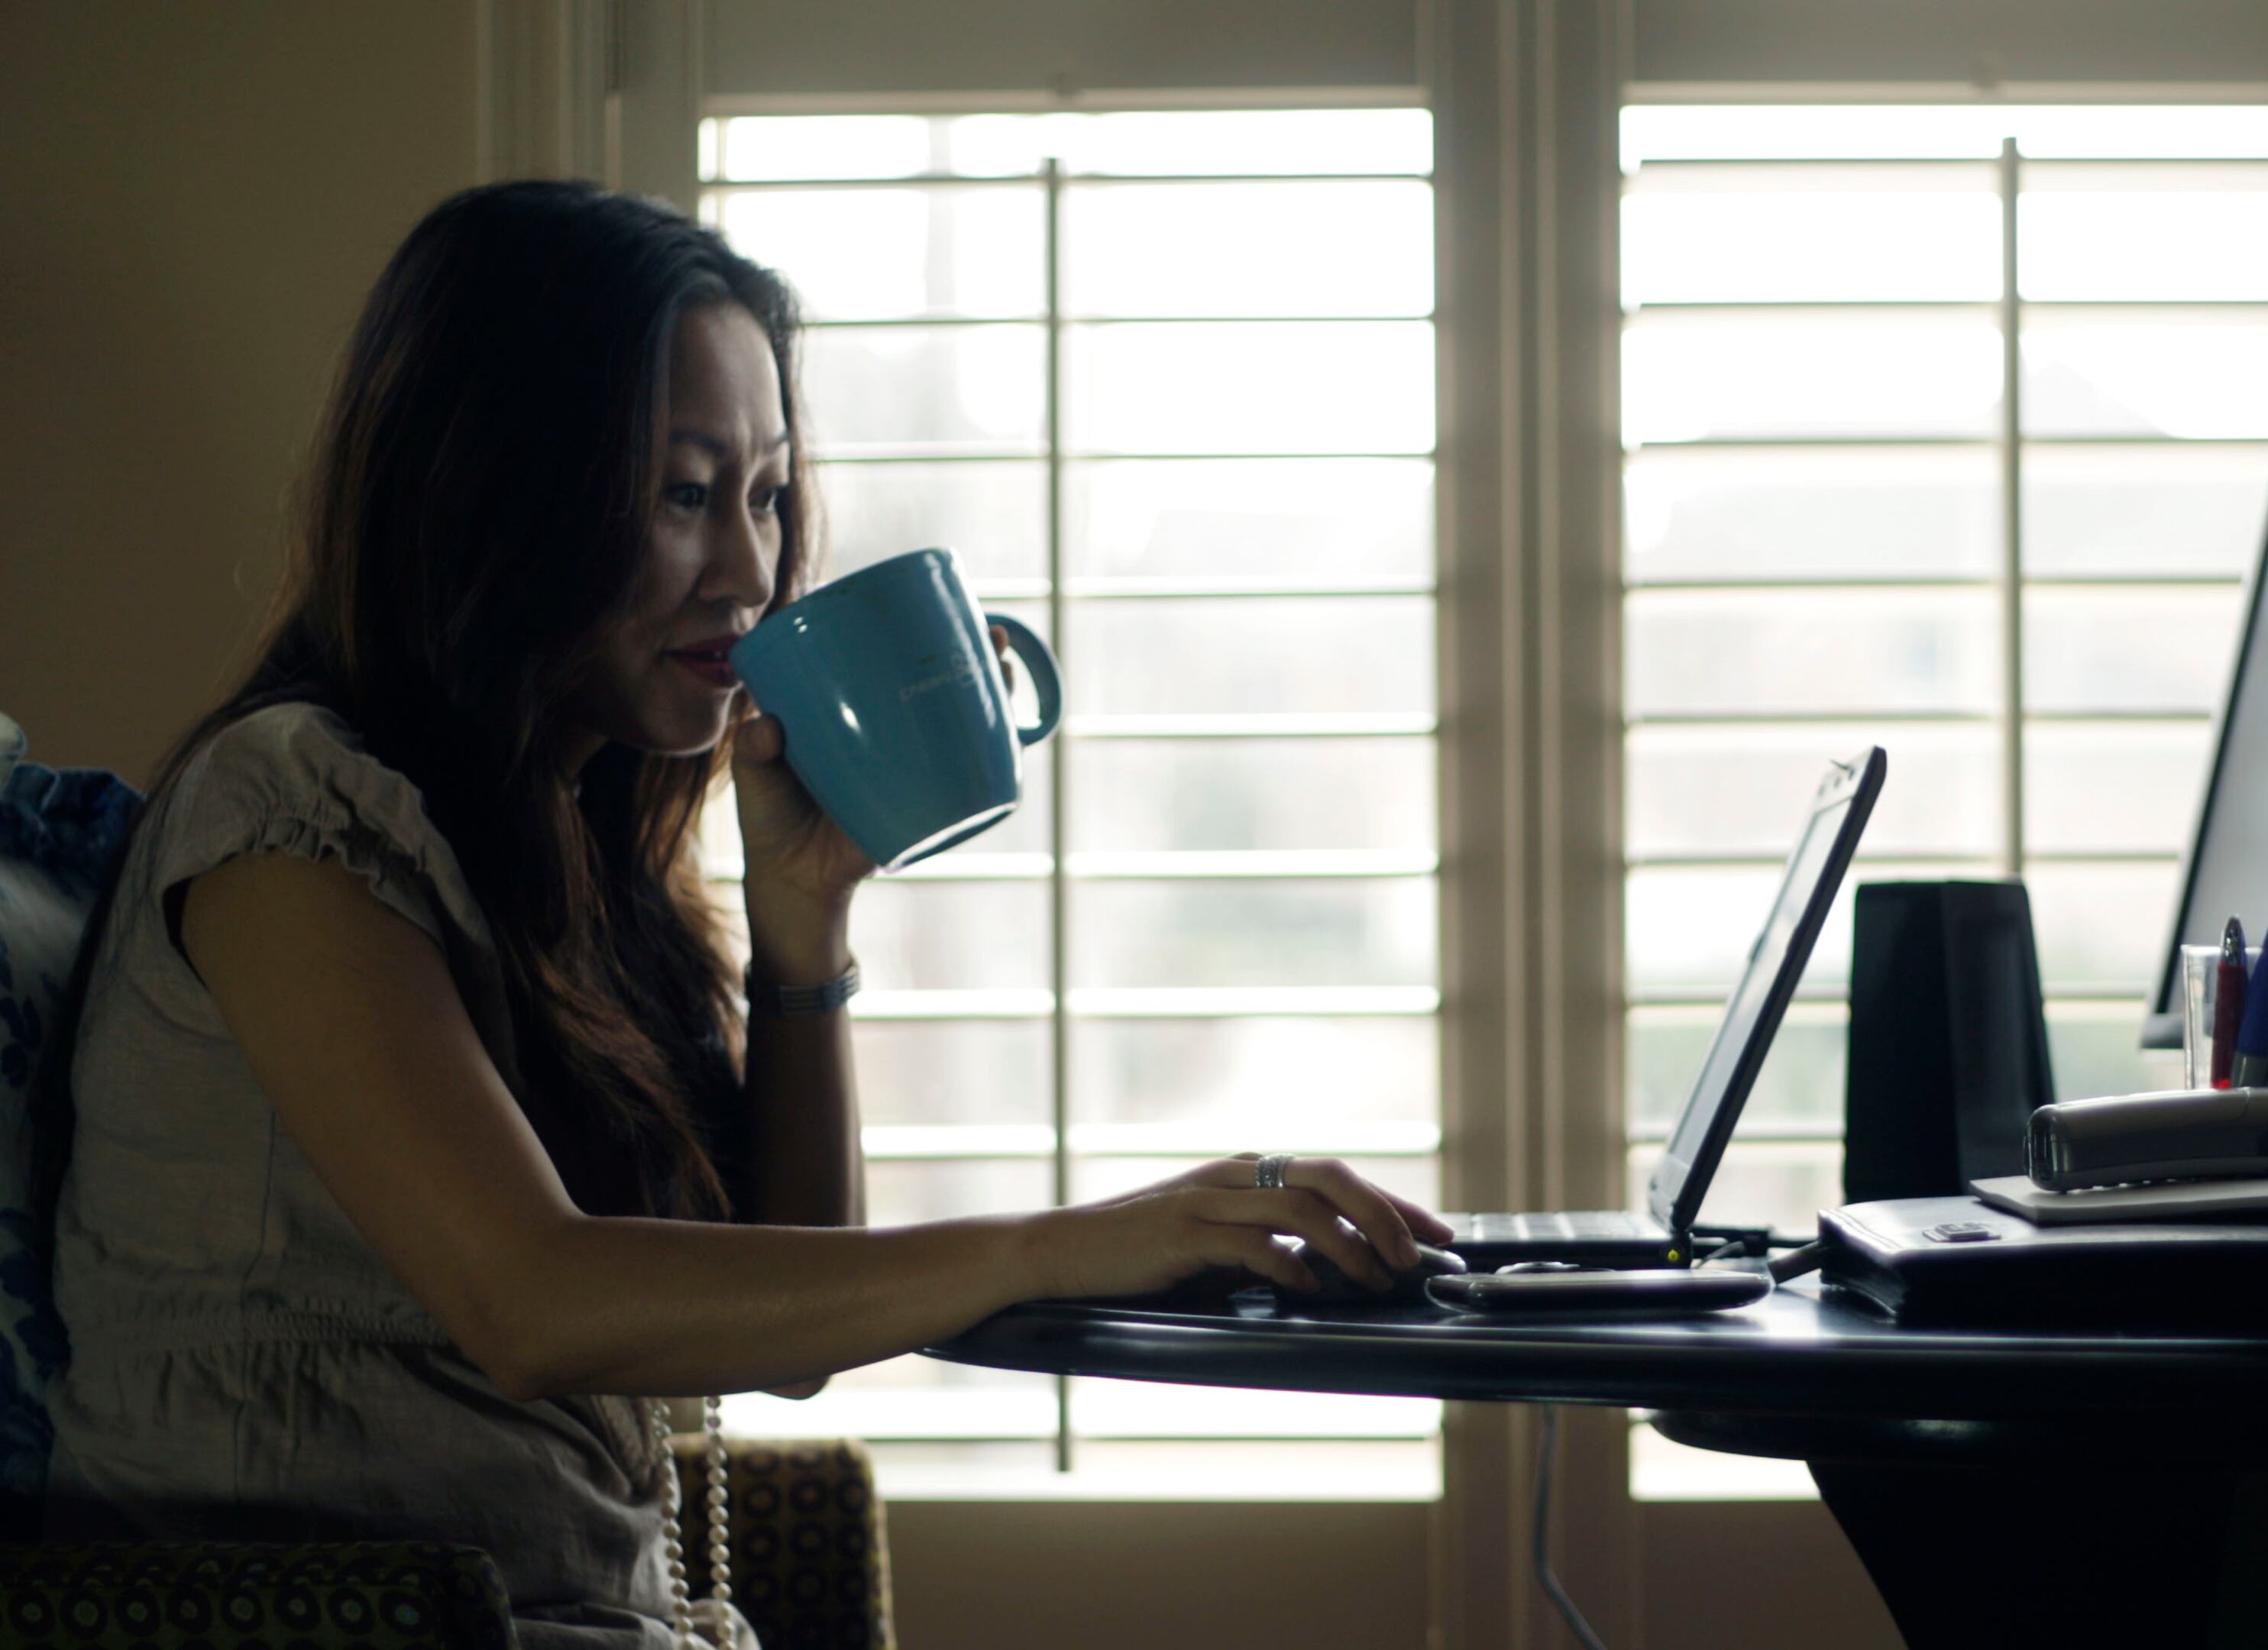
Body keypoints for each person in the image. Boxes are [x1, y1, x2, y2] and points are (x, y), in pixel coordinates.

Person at [43, 180, 1444, 1648]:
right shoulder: (288, 815)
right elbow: (533, 1300)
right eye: (687, 494)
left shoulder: (569, 849)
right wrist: (1063, 1242)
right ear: (493, 489)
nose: (755, 573)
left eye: (768, 495)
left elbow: (792, 1317)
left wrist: (801, 919)